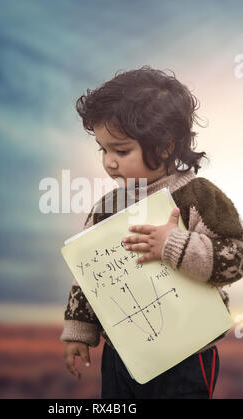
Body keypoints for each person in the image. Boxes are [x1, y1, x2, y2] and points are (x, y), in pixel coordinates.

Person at [60, 66, 243, 399]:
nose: (109, 162)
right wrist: (79, 331)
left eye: (121, 150)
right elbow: (88, 273)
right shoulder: (108, 207)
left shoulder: (199, 196)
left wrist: (175, 245)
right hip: (123, 356)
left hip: (188, 353)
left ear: (164, 146)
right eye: (103, 150)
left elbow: (235, 259)